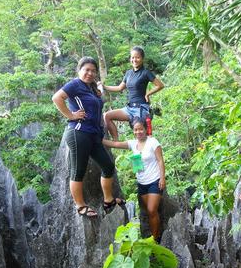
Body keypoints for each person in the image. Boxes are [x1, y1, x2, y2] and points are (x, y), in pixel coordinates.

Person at [52, 56, 124, 218]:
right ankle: (80, 206)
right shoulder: (75, 84)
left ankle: (108, 200)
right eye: (86, 70)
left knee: (108, 166)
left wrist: (99, 88)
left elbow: (98, 101)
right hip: (79, 133)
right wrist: (71, 115)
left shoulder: (92, 88)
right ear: (79, 71)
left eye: (93, 70)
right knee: (78, 171)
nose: (90, 73)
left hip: (94, 135)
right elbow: (57, 98)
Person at [103, 118, 166, 241]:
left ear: (145, 129)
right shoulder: (133, 144)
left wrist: (162, 178)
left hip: (154, 180)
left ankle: (155, 239)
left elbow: (160, 160)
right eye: (136, 130)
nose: (138, 132)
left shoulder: (153, 142)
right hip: (142, 183)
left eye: (140, 129)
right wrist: (98, 140)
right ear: (133, 131)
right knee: (149, 213)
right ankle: (154, 235)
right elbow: (116, 144)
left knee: (152, 210)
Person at [100, 46, 164, 141]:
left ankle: (148, 152)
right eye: (132, 57)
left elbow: (160, 85)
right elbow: (119, 88)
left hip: (141, 108)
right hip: (129, 108)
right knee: (107, 116)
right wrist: (104, 87)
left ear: (142, 59)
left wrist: (148, 94)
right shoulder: (128, 73)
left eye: (137, 57)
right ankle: (116, 141)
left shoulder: (146, 73)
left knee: (142, 136)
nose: (135, 60)